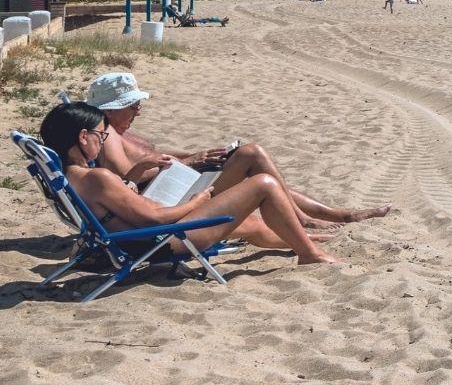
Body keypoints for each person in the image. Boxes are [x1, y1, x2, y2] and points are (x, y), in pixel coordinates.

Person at [84, 72, 391, 234]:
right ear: (110, 108)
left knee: (252, 164)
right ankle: (311, 218)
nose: (139, 109)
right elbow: (128, 181)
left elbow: (152, 156)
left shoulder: (115, 130)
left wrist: (195, 154)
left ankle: (330, 214)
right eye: (132, 105)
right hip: (170, 200)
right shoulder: (106, 135)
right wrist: (190, 162)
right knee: (252, 156)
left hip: (174, 186)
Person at [40, 102, 337, 266]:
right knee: (263, 184)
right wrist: (198, 200)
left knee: (248, 196)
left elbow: (119, 206)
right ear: (82, 137)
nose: (103, 140)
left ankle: (302, 240)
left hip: (145, 235)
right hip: (163, 240)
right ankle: (308, 253)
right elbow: (153, 217)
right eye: (101, 136)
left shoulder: (76, 177)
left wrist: (134, 175)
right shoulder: (97, 177)